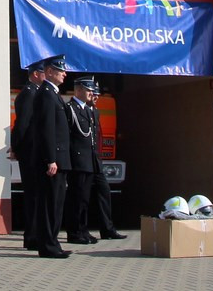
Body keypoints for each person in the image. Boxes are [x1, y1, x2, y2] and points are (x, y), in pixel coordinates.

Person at [63, 76, 127, 244]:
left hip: (93, 159)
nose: (93, 94)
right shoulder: (70, 109)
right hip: (80, 159)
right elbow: (67, 136)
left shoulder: (90, 110)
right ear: (78, 90)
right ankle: (77, 231)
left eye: (94, 91)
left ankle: (104, 228)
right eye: (89, 90)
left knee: (101, 191)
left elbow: (94, 137)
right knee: (79, 197)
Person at [24, 55, 72, 258]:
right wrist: (51, 159)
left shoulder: (53, 93)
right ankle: (48, 246)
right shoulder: (45, 94)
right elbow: (46, 130)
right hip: (52, 161)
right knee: (49, 205)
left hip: (60, 159)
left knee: (56, 204)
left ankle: (53, 243)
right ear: (50, 71)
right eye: (60, 70)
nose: (64, 74)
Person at [10, 61, 45, 250]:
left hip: (35, 150)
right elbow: (22, 124)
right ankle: (31, 237)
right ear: (35, 74)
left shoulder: (36, 93)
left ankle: (35, 235)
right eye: (44, 72)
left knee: (37, 194)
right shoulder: (28, 94)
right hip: (30, 151)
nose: (46, 75)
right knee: (33, 195)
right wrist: (16, 147)